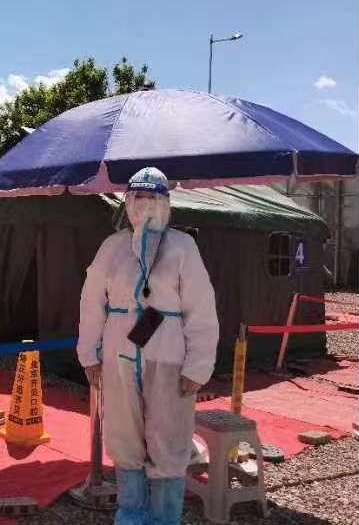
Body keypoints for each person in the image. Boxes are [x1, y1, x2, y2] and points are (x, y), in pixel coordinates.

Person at [78, 167, 220, 525]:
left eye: (153, 197)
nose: (145, 204)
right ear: (127, 201)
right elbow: (91, 302)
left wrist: (198, 366)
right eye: (138, 197)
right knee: (124, 436)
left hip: (169, 355)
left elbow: (201, 308)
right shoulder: (112, 248)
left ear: (166, 202)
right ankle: (131, 515)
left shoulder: (183, 246)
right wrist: (89, 354)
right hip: (118, 354)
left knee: (168, 437)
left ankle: (164, 518)